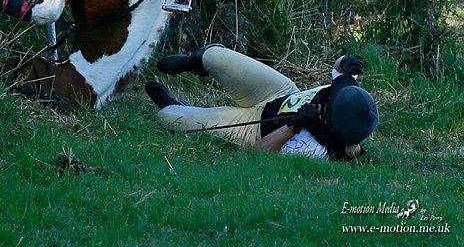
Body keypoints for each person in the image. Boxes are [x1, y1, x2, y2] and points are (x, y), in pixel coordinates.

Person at [145, 44, 379, 160]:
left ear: (332, 124)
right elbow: (339, 71)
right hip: (280, 92)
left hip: (253, 129)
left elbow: (259, 153)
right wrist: (345, 62)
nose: (325, 106)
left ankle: (177, 106)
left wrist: (294, 126)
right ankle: (194, 61)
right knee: (214, 55)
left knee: (168, 117)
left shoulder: (316, 149)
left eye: (327, 112)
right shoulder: (347, 94)